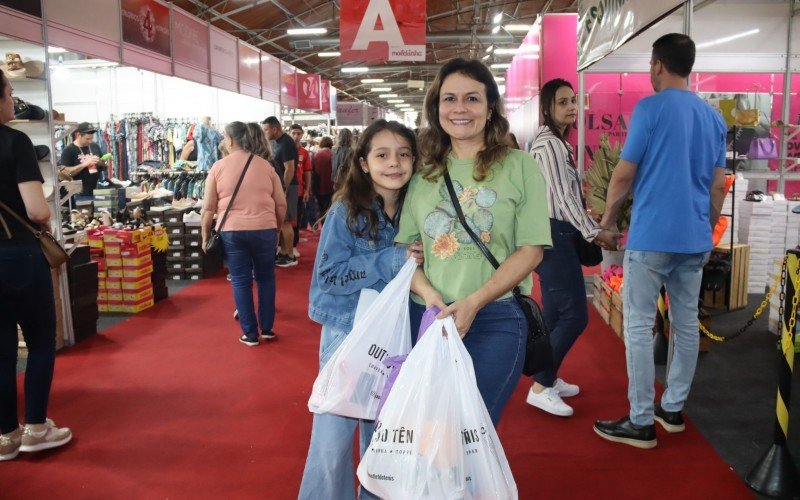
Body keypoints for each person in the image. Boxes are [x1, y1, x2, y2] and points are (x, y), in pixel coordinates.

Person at [395, 58, 552, 426]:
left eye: (472, 99)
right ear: (436, 108)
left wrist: (473, 302)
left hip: (495, 316)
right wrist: (431, 297)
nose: (459, 109)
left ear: (490, 107)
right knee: (430, 428)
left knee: (471, 430)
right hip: (428, 317)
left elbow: (531, 249)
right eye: (449, 99)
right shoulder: (423, 175)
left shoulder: (519, 166)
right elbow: (407, 253)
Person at [594, 34, 727, 449]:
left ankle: (639, 421)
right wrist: (704, 229)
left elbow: (623, 175)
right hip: (693, 239)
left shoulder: (649, 109)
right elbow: (719, 188)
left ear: (657, 65)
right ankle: (672, 409)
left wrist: (608, 221)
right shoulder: (713, 119)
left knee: (637, 325)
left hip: (651, 237)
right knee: (686, 324)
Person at [298, 119, 422, 500]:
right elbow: (328, 277)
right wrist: (390, 259)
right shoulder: (345, 213)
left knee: (383, 440)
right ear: (364, 163)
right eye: (382, 155)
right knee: (332, 443)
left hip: (400, 338)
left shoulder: (419, 212)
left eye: (403, 154)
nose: (394, 163)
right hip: (349, 335)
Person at [526, 78, 620, 417]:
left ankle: (545, 378)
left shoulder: (556, 143)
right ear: (548, 107)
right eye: (562, 102)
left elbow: (565, 195)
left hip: (557, 233)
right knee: (575, 316)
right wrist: (594, 232)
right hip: (555, 235)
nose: (570, 107)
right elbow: (563, 199)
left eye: (573, 101)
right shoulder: (548, 144)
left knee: (553, 313)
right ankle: (540, 386)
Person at [0, 69, 72, 461]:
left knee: (1, 352)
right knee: (41, 341)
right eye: (9, 93)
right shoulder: (16, 142)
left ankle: (5, 436)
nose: (13, 100)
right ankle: (36, 427)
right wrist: (44, 213)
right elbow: (35, 208)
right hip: (18, 255)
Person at [201, 121, 287, 346]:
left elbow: (209, 208)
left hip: (232, 230)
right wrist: (276, 228)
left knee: (240, 281)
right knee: (266, 278)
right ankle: (267, 328)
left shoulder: (218, 167)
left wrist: (203, 235)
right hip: (265, 228)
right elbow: (281, 204)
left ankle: (250, 334)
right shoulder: (267, 166)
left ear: (229, 140)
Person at [262, 116, 299, 267]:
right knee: (283, 220)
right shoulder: (279, 143)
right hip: (284, 186)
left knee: (286, 221)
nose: (265, 133)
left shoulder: (286, 143)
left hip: (288, 187)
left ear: (275, 129)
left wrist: (283, 188)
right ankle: (284, 252)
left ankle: (290, 255)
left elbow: (290, 168)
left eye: (266, 130)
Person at [59, 122, 106, 196]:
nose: (90, 141)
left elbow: (105, 167)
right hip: (78, 193)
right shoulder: (69, 150)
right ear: (78, 135)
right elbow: (66, 173)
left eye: (91, 138)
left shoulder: (94, 146)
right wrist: (85, 164)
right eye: (87, 139)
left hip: (97, 189)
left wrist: (100, 162)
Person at [289, 124, 312, 257]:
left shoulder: (304, 153)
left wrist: (307, 190)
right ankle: (282, 246)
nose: (296, 136)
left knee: (295, 220)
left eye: (299, 133)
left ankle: (293, 245)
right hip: (285, 191)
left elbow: (307, 172)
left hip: (299, 191)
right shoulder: (284, 150)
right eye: (294, 133)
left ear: (302, 134)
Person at [312, 136, 334, 220]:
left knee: (321, 208)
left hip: (319, 185)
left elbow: (312, 171)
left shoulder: (316, 155)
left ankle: (323, 225)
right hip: (331, 186)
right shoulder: (333, 154)